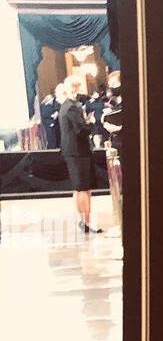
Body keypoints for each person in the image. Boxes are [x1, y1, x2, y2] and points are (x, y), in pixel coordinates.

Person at [58, 77, 102, 234]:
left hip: (73, 152)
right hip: (79, 152)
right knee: (84, 188)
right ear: (75, 88)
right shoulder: (72, 107)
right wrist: (91, 122)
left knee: (79, 189)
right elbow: (81, 129)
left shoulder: (65, 106)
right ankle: (87, 222)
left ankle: (82, 220)